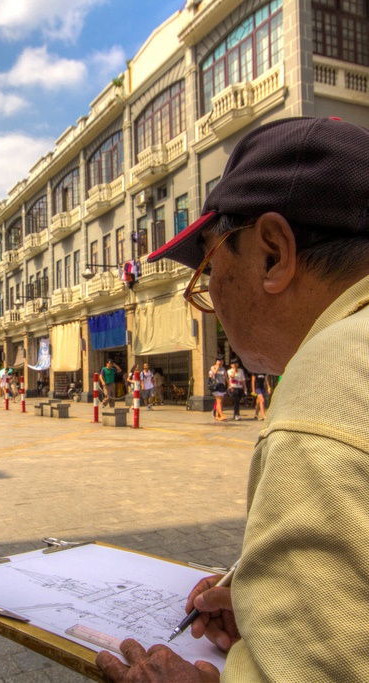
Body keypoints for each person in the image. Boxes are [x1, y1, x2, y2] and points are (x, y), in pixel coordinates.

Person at [97, 117, 369, 682]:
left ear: (272, 254)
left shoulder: (326, 389)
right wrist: (285, 613)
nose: (211, 300)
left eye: (210, 270)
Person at [208, 356, 228, 421]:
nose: (220, 362)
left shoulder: (223, 369)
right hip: (216, 386)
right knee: (218, 401)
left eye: (222, 361)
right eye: (219, 361)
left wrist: (229, 385)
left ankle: (217, 415)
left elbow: (225, 378)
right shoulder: (213, 367)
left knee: (220, 402)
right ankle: (221, 414)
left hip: (222, 386)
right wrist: (217, 366)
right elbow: (214, 372)